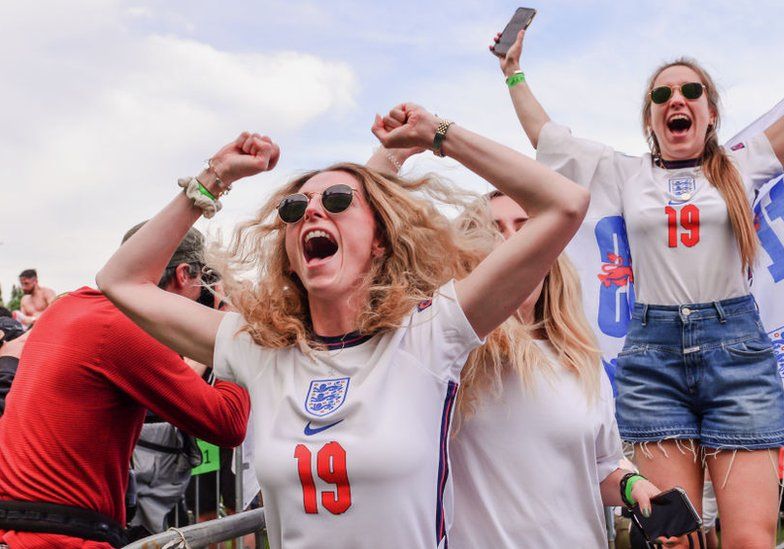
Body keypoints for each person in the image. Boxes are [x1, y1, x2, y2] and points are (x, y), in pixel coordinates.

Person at [95, 102, 590, 548]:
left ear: (379, 239)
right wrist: (214, 177)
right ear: (290, 253)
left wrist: (437, 133)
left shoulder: (430, 333)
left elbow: (564, 204)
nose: (311, 208)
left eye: (336, 200)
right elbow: (121, 281)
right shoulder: (261, 350)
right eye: (294, 208)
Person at [492, 25, 784, 546]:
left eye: (691, 92)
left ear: (709, 113)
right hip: (655, 357)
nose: (676, 100)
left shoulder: (739, 163)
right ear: (650, 118)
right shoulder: (624, 173)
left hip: (737, 355)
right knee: (673, 538)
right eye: (662, 95)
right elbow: (546, 138)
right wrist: (513, 73)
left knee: (748, 540)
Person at [0, 225, 250, 549]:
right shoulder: (124, 327)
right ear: (186, 275)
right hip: (64, 537)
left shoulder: (68, 307)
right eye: (204, 284)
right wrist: (236, 330)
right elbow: (227, 422)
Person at [448, 191, 658, 549]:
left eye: (526, 228)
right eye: (493, 231)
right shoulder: (448, 357)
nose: (513, 242)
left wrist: (630, 484)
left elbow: (600, 466)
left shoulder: (582, 361)